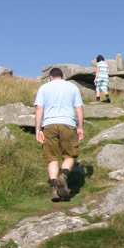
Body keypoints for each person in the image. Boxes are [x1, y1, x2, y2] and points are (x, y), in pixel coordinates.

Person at [34, 67, 84, 202]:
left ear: (50, 77)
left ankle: (54, 190)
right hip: (68, 123)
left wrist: (38, 129)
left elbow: (39, 109)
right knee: (70, 155)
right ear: (63, 77)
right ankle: (63, 176)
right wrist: (80, 127)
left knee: (52, 158)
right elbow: (79, 108)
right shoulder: (72, 88)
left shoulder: (43, 88)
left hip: (49, 125)